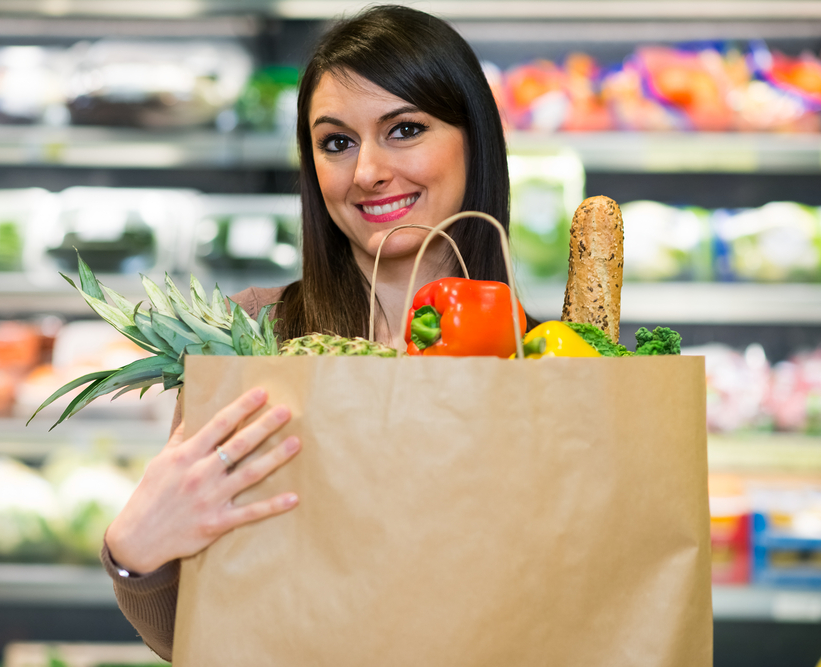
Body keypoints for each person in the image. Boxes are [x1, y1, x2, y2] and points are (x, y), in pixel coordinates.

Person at [100, 4, 520, 659]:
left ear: (475, 137)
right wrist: (137, 554)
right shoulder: (254, 337)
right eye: (337, 142)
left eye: (404, 128)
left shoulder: (551, 356)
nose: (367, 172)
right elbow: (201, 632)